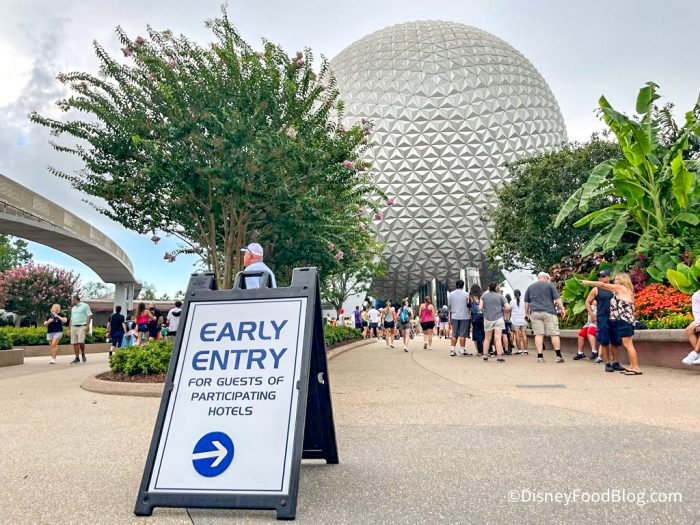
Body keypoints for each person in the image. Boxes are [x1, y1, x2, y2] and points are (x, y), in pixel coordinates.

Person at [582, 273, 642, 375]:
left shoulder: (620, 288)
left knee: (628, 344)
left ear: (622, 280)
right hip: (622, 319)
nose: (615, 280)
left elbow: (604, 285)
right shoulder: (625, 290)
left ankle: (635, 367)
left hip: (624, 320)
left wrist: (588, 282)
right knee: (625, 344)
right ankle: (632, 366)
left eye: (617, 279)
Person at [585, 269, 623, 372]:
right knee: (604, 340)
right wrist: (592, 314)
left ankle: (615, 362)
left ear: (608, 277)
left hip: (615, 317)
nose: (601, 278)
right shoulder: (596, 289)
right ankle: (607, 363)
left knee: (615, 341)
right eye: (600, 276)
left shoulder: (615, 288)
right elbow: (587, 302)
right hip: (602, 317)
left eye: (603, 276)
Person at [524, 272, 566, 363]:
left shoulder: (530, 287)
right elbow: (557, 298)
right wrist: (562, 308)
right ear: (545, 277)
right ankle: (558, 356)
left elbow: (526, 302)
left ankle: (540, 356)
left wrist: (526, 313)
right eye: (548, 278)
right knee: (554, 333)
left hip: (535, 313)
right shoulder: (550, 285)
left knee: (538, 334)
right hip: (549, 312)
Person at [480, 282, 507, 362]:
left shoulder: (484, 296)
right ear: (496, 288)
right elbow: (507, 307)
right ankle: (499, 356)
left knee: (487, 338)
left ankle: (485, 355)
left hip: (488, 318)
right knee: (498, 338)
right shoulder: (500, 296)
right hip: (498, 318)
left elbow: (480, 308)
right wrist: (506, 310)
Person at [448, 279, 470, 356]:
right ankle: (462, 350)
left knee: (454, 334)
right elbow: (469, 305)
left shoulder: (451, 294)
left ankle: (452, 350)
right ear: (463, 285)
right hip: (465, 316)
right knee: (462, 334)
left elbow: (449, 306)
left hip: (454, 316)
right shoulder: (467, 294)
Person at [69, 295, 92, 364]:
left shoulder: (85, 305)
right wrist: (69, 328)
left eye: (72, 300)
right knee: (74, 343)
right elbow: (71, 318)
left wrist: (88, 326)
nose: (71, 302)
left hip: (82, 326)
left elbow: (89, 315)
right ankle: (77, 358)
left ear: (75, 299)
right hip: (73, 326)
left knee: (81, 342)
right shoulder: (73, 308)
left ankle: (83, 353)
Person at [681, 288, 700, 365]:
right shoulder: (696, 295)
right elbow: (697, 312)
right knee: (689, 329)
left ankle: (695, 353)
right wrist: (698, 323)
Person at [510, 289, 528, 355]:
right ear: (520, 294)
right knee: (524, 334)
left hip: (515, 321)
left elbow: (509, 309)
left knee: (517, 334)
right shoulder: (524, 301)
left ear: (514, 295)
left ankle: (519, 350)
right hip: (523, 320)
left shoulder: (512, 302)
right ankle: (525, 350)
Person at [469, 284, 485, 356]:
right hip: (483, 317)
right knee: (483, 333)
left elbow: (468, 306)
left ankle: (479, 351)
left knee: (477, 335)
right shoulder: (482, 296)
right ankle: (486, 349)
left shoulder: (470, 296)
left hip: (475, 318)